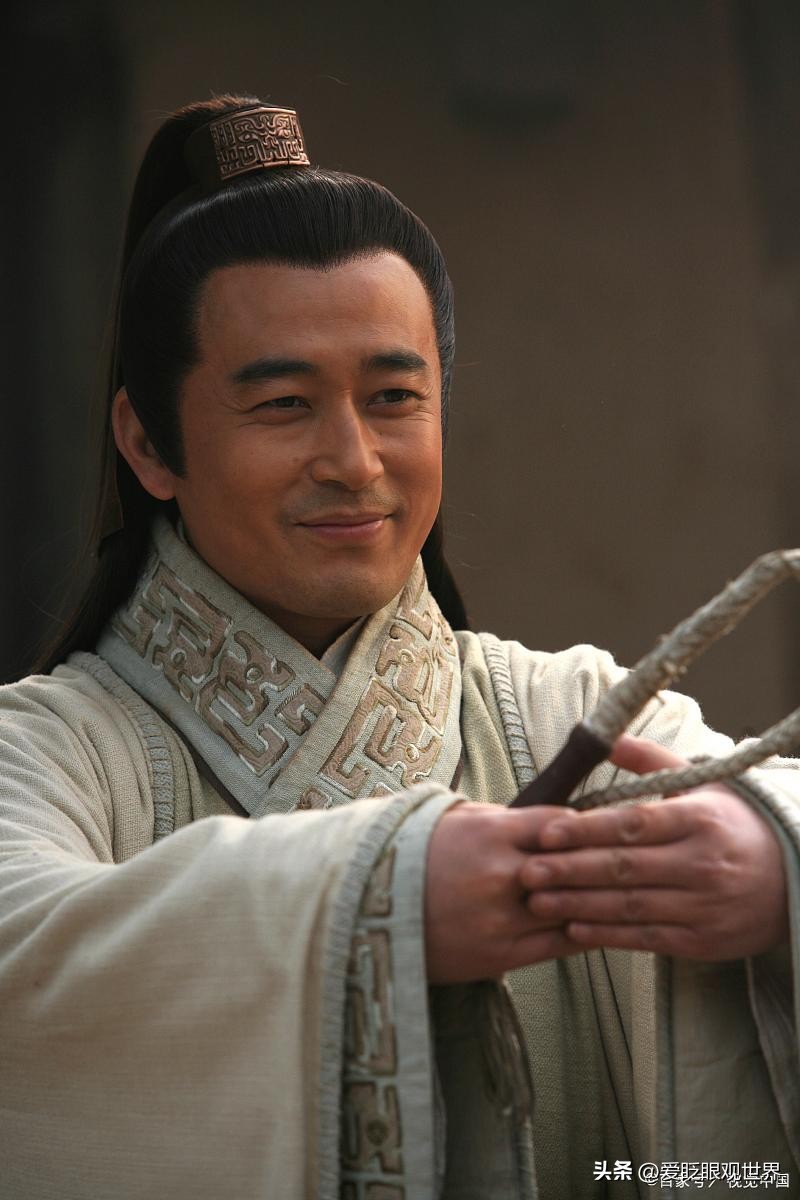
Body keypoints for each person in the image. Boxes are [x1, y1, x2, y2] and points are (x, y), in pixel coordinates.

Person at [0, 94, 797, 1200]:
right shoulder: (49, 752)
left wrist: (770, 866)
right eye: (283, 404)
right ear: (148, 441)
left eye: (393, 398)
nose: (354, 460)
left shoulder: (562, 709)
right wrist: (385, 898)